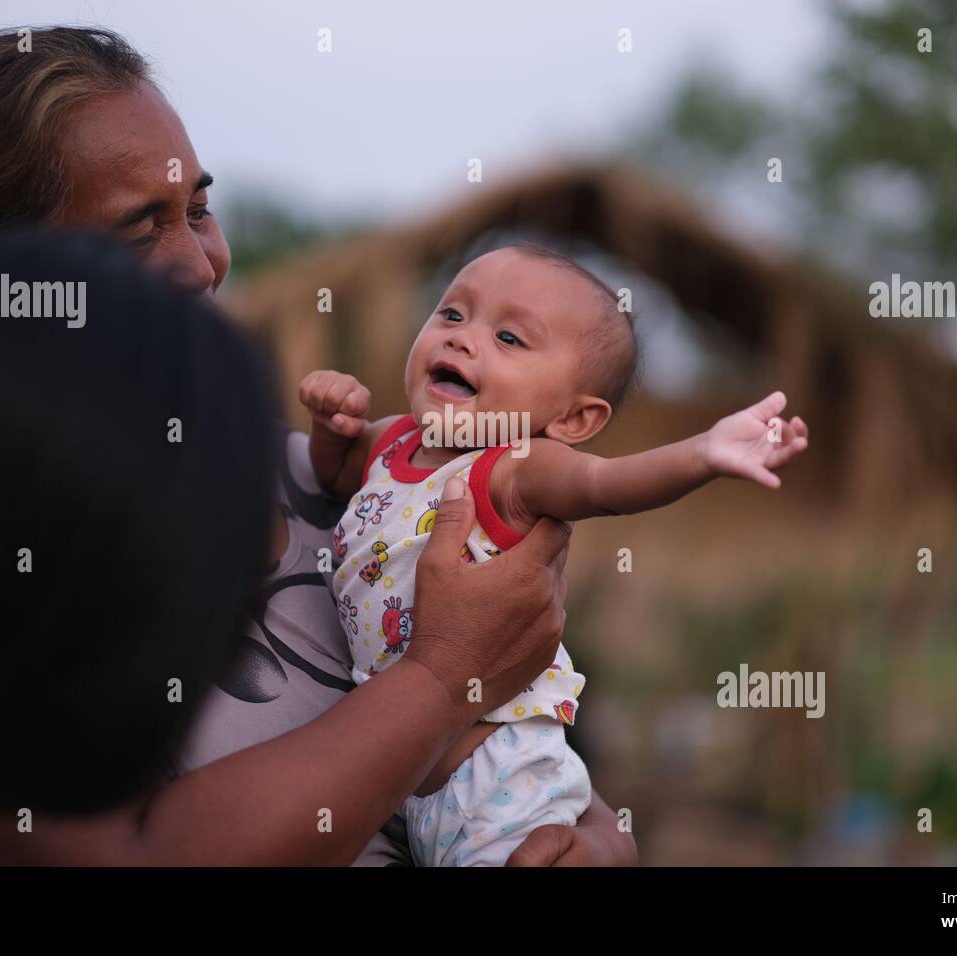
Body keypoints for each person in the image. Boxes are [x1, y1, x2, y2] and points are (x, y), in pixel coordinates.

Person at [0, 26, 634, 864]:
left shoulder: (342, 477)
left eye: (199, 211)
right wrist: (432, 683)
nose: (202, 263)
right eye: (141, 229)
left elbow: (509, 716)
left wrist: (599, 839)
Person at [301, 244, 809, 864]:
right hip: (396, 766)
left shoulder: (514, 467)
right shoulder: (392, 440)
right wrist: (332, 425)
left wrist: (704, 454)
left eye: (510, 338)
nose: (462, 340)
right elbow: (331, 477)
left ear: (572, 419)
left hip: (497, 779)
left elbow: (609, 485)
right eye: (452, 314)